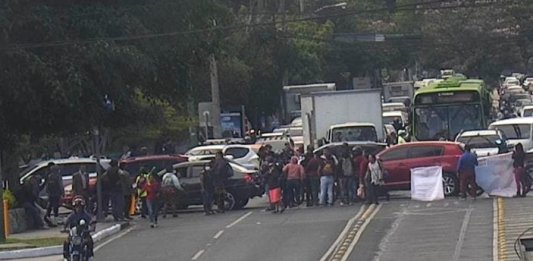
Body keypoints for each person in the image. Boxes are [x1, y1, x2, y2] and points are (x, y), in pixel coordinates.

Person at [62, 196, 94, 260]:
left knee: (89, 241)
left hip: (84, 234)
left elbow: (91, 221)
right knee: (66, 241)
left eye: (80, 207)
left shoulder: (86, 215)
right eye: (76, 207)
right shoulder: (72, 216)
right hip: (73, 234)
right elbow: (67, 222)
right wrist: (64, 228)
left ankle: (90, 255)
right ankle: (66, 256)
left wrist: (91, 227)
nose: (78, 208)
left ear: (83, 207)